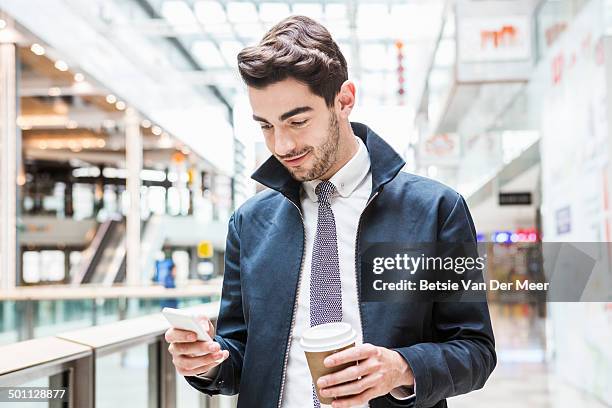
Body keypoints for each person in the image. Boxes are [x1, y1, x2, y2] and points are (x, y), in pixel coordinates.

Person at [165, 15, 496, 408]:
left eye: (298, 121)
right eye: (266, 126)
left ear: (344, 100)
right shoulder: (250, 223)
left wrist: (401, 367)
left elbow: (475, 351)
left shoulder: (434, 210)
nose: (282, 144)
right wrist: (207, 362)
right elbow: (239, 355)